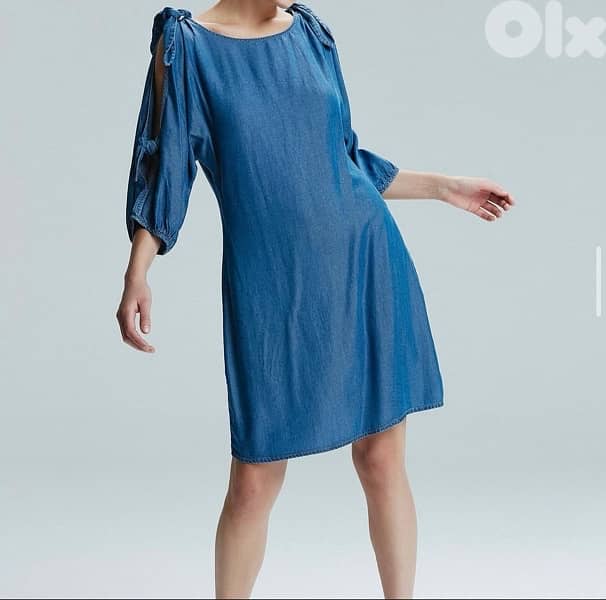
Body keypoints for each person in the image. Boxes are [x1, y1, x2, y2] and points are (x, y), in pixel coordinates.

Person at [116, 1, 515, 597]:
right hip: (270, 285)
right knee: (253, 480)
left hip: (363, 261)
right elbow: (164, 166)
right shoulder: (187, 46)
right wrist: (138, 270)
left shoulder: (311, 34)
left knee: (381, 460)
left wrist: (443, 187)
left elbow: (341, 157)